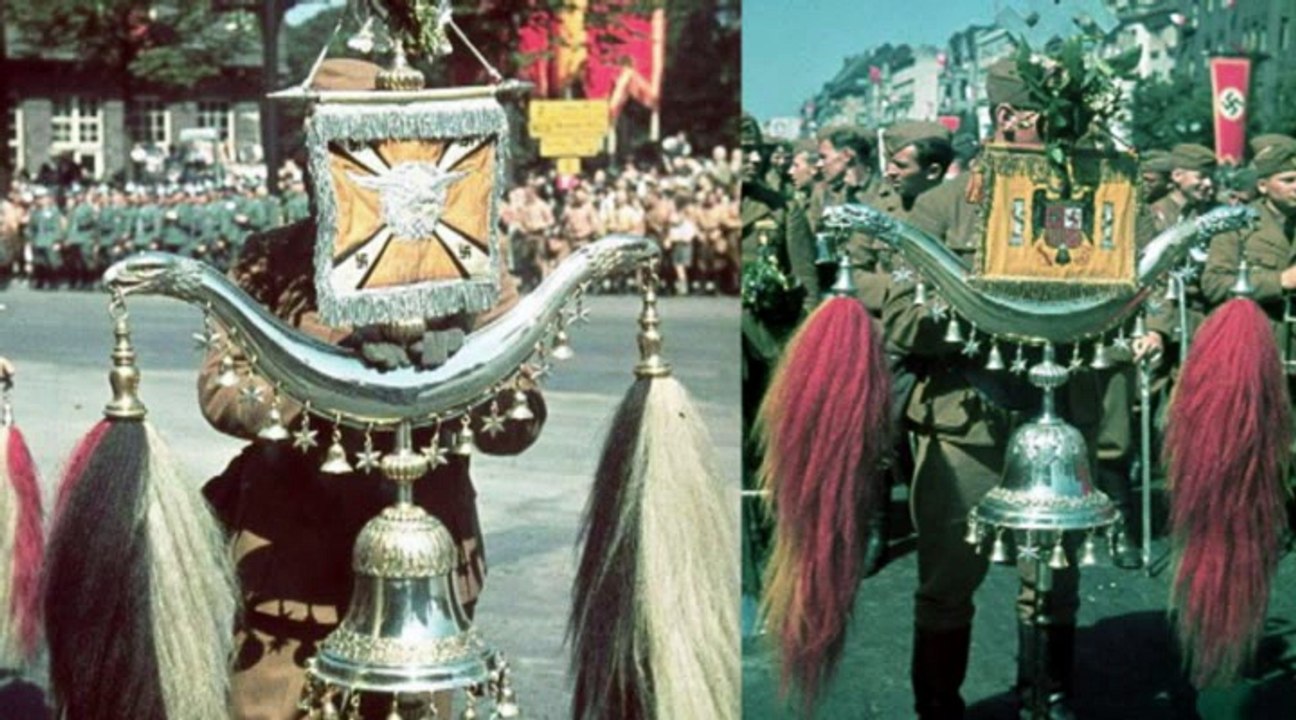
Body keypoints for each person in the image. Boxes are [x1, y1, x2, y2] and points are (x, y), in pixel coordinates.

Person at [197, 59, 547, 720]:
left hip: (419, 570)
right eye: (325, 144)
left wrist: (464, 374)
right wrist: (326, 355)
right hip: (290, 565)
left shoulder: (469, 260)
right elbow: (223, 393)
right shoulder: (271, 257)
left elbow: (518, 424)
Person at [887, 58, 1161, 720]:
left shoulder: (1107, 196)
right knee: (948, 582)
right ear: (1006, 117)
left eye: (1074, 120)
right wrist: (980, 307)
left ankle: (1049, 697)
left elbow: (1145, 285)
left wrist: (1145, 329)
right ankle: (939, 708)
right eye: (1052, 120)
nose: (1068, 133)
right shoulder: (944, 204)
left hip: (1066, 413)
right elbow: (899, 319)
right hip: (968, 422)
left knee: (1056, 583)